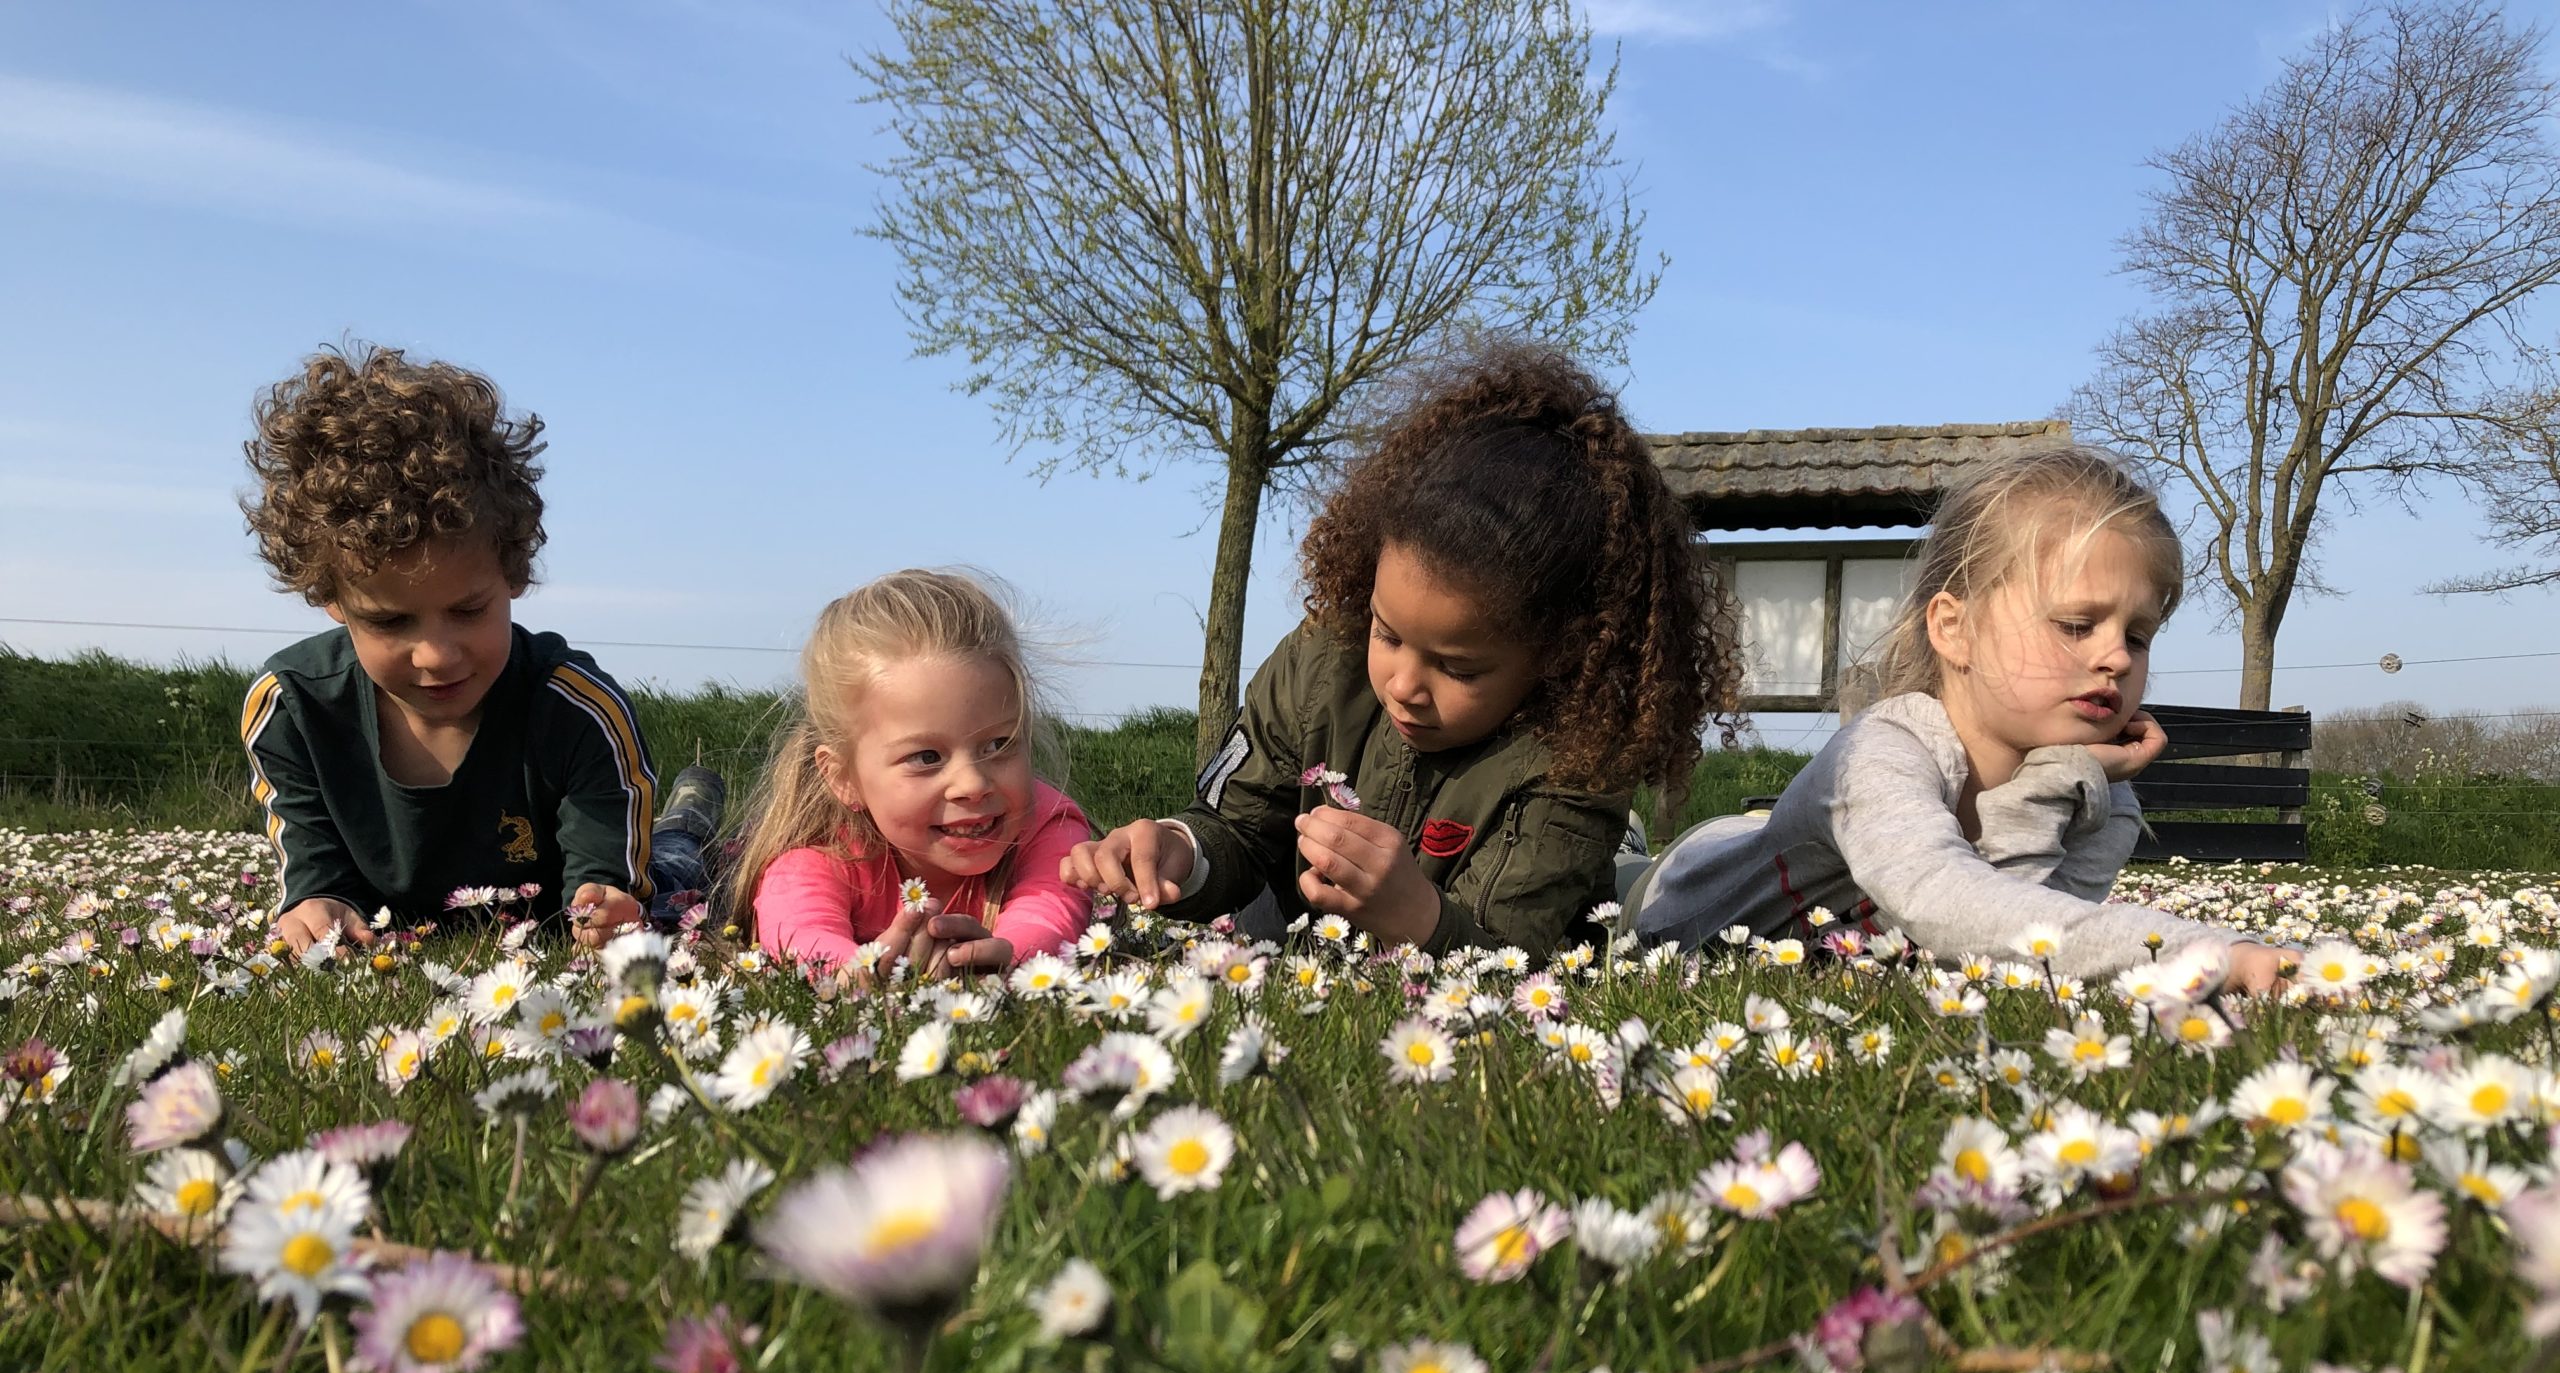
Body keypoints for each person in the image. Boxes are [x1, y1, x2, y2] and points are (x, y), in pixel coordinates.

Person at [1063, 344, 1736, 959]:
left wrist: (1415, 912)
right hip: (1309, 927)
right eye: (1387, 633)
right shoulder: (1323, 660)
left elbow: (1511, 959)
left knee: (1643, 910)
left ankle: (1629, 851)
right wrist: (1183, 851)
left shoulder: (1577, 753)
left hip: (1509, 915)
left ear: (1559, 658)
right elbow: (1239, 827)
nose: (1404, 684)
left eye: (1457, 667)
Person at [1628, 444, 2289, 992]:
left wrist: (2063, 782)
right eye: (2077, 624)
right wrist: (2198, 952)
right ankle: (1631, 838)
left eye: (2138, 635)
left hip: (1830, 871)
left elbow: (2007, 950)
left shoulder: (2101, 796)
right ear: (1954, 627)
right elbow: (1945, 906)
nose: (2115, 656)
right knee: (1617, 864)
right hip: (1675, 890)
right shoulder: (1883, 750)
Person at [237, 344, 723, 955]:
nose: (436, 656)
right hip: (415, 921)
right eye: (389, 621)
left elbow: (608, 887)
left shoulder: (576, 708)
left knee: (682, 862)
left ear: (514, 573)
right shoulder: (293, 709)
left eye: (468, 611)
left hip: (555, 903)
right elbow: (313, 871)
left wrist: (606, 903)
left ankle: (691, 809)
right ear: (330, 599)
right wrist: (318, 903)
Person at [731, 570, 1094, 980]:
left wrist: (1002, 962)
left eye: (998, 745)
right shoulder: (822, 854)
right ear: (841, 777)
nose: (972, 784)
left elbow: (1049, 917)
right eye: (926, 756)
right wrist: (858, 974)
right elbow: (799, 931)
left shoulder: (1048, 827)